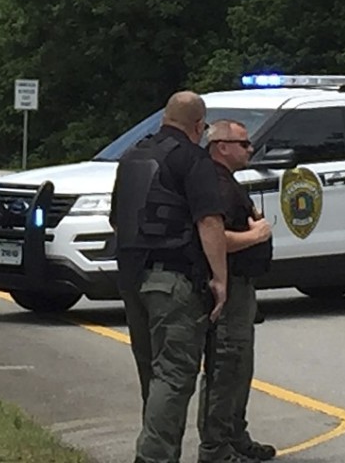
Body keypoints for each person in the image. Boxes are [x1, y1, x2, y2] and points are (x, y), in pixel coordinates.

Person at [109, 90, 229, 463]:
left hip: (131, 277)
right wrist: (219, 280)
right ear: (198, 126)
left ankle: (160, 450)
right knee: (174, 374)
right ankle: (154, 457)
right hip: (173, 279)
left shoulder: (131, 157)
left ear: (164, 118)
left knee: (153, 373)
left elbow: (117, 217)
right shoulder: (193, 160)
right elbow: (209, 221)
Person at [197, 119, 275, 462]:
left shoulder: (228, 182)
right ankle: (215, 447)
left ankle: (234, 436)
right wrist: (256, 236)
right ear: (222, 147)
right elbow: (213, 237)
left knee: (241, 366)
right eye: (244, 144)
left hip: (244, 287)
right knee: (225, 365)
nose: (250, 149)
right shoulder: (214, 184)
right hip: (228, 289)